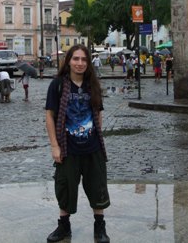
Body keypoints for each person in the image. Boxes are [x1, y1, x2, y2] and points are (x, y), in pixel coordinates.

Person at [45, 44, 110, 243]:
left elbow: (98, 113)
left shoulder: (93, 85)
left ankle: (99, 227)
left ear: (88, 63)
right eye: (76, 59)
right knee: (65, 187)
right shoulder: (58, 85)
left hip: (92, 148)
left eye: (83, 59)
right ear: (69, 61)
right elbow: (50, 116)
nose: (79, 63)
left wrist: (98, 138)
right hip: (68, 148)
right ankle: (63, 226)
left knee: (97, 187)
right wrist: (55, 146)